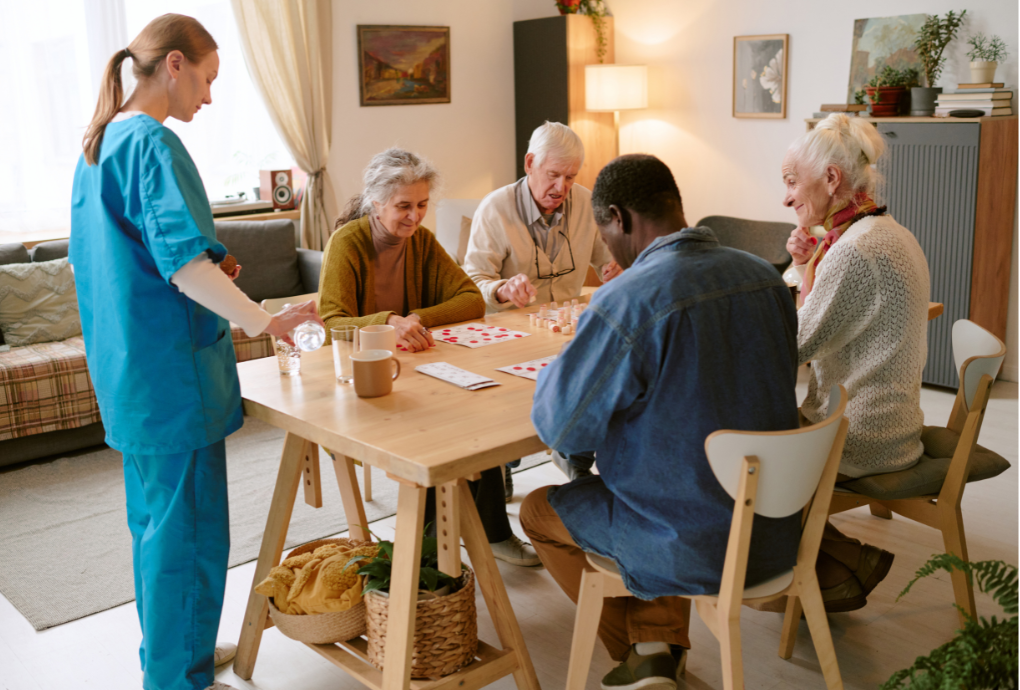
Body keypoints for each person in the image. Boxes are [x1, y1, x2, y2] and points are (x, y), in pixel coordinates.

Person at [70, 14, 322, 690]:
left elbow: (145, 259)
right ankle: (177, 676)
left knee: (156, 528)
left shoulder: (98, 145)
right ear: (174, 65)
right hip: (171, 377)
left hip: (132, 374)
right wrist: (265, 321)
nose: (208, 98)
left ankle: (169, 654)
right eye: (207, 80)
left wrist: (212, 263)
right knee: (189, 534)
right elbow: (180, 266)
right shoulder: (151, 143)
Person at [520, 154, 803, 690]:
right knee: (662, 473)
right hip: (777, 528)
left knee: (541, 509)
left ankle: (641, 655)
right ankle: (654, 644)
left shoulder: (627, 299)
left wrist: (556, 373)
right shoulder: (764, 279)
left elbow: (560, 428)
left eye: (604, 232)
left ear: (618, 218)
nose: (607, 247)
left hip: (689, 543)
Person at [318, 148, 540, 567]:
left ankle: (489, 534)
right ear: (375, 202)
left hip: (414, 373)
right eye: (404, 206)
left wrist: (417, 318)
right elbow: (332, 323)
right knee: (437, 441)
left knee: (479, 413)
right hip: (358, 389)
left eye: (421, 205)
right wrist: (388, 322)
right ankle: (425, 562)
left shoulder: (421, 242)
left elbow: (471, 300)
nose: (415, 217)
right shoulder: (347, 243)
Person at [780, 112, 930, 611]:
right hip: (896, 422)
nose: (786, 198)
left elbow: (796, 347)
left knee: (740, 456)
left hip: (863, 436)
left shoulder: (853, 252)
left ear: (831, 179)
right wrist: (806, 265)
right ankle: (841, 563)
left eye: (791, 182)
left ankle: (817, 572)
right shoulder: (884, 231)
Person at [462, 121, 618, 484]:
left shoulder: (586, 200)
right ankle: (501, 463)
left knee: (599, 375)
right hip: (507, 332)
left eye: (570, 177)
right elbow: (472, 280)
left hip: (567, 329)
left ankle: (573, 454)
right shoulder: (495, 208)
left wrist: (617, 268)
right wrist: (501, 289)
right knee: (508, 400)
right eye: (553, 175)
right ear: (530, 163)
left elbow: (606, 259)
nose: (561, 187)